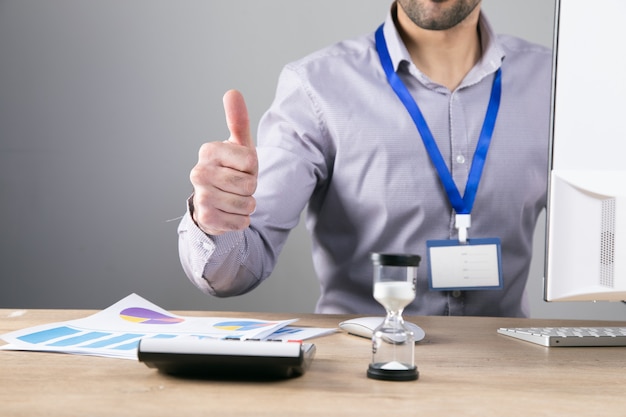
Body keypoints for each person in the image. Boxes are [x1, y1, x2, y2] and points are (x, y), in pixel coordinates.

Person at [178, 0, 552, 316]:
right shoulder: (316, 87)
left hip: (509, 376)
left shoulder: (555, 82)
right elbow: (236, 270)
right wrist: (216, 220)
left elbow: (606, 245)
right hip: (361, 372)